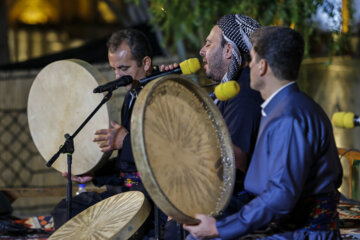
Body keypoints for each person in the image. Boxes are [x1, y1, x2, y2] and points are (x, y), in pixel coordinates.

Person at [184, 26, 343, 239]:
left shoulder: (288, 116)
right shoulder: (288, 106)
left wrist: (218, 228)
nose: (247, 66)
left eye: (251, 59)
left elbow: (280, 196)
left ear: (263, 66)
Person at [162, 14, 263, 239]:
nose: (201, 51)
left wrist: (188, 201)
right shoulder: (228, 89)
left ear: (229, 50)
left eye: (209, 43)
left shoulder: (242, 93)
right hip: (224, 194)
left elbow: (232, 163)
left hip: (239, 200)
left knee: (174, 227)